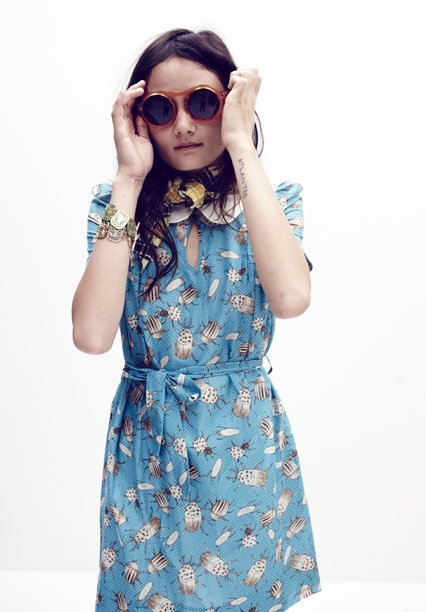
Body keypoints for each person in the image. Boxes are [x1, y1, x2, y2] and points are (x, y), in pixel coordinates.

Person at [72, 28, 321, 612]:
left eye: (203, 103)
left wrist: (240, 144)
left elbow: (291, 297)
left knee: (241, 596)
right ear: (141, 119)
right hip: (146, 446)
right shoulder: (117, 207)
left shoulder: (272, 200)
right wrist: (128, 180)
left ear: (229, 104)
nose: (184, 125)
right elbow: (91, 335)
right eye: (163, 109)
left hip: (241, 444)